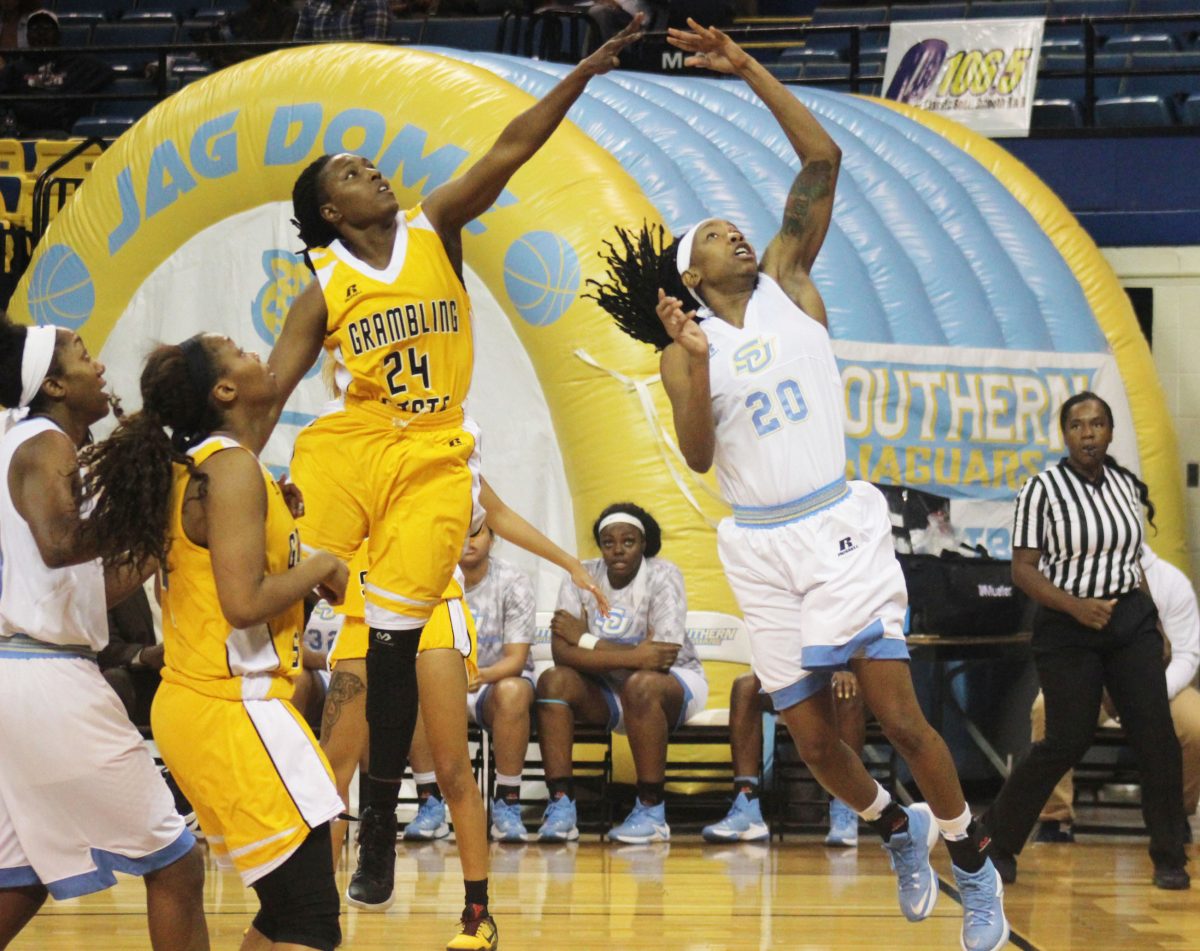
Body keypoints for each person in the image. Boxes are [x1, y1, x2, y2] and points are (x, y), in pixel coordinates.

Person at [586, 20, 1009, 951]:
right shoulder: (679, 350)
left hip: (839, 525)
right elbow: (698, 457)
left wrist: (746, 68)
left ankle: (974, 865)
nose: (738, 233)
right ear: (690, 273)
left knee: (898, 713)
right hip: (759, 539)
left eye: (739, 226)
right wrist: (694, 362)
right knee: (818, 744)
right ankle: (896, 829)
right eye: (716, 235)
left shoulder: (788, 278)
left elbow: (823, 155)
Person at [268, 20, 643, 947]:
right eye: (351, 173)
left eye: (371, 163)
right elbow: (269, 390)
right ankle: (336, 869)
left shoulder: (435, 225)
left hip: (434, 463)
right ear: (328, 212)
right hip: (369, 461)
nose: (374, 173)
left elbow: (511, 146)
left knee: (448, 746)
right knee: (341, 735)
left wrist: (583, 75)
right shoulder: (322, 289)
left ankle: (471, 901)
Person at [78, 333, 351, 950]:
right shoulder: (227, 468)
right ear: (224, 390)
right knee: (309, 915)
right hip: (231, 707)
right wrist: (321, 565)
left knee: (285, 912)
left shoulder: (213, 466)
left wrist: (284, 533)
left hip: (214, 705)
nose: (258, 353)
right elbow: (244, 602)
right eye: (239, 352)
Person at [0, 321, 207, 950]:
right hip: (47, 681)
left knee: (24, 876)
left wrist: (166, 534)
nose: (99, 365)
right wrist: (147, 509)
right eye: (84, 356)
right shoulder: (43, 443)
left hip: (28, 671)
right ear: (55, 383)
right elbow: (62, 545)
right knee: (175, 860)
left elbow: (88, 588)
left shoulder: (38, 444)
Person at [979, 392, 1190, 890]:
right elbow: (1023, 571)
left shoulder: (1123, 486)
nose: (1088, 433)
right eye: (1077, 425)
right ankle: (998, 840)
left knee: (1157, 737)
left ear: (1111, 432)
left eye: (1097, 424)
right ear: (1065, 434)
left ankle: (1168, 855)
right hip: (1067, 624)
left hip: (1128, 620)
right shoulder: (1042, 490)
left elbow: (1132, 560)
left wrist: (1154, 622)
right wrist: (1076, 607)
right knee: (1065, 739)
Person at [536, 502, 709, 844]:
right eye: (608, 542)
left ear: (643, 544)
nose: (617, 550)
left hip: (672, 683)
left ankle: (651, 809)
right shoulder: (581, 576)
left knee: (641, 684)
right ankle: (561, 806)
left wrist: (585, 640)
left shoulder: (663, 574)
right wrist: (635, 654)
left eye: (628, 541)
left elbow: (660, 658)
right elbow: (561, 653)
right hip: (607, 689)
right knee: (552, 681)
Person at [1032, 543, 1200, 844]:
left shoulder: (1171, 582)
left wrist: (1145, 693)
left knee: (1196, 724)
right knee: (1045, 708)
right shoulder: (1077, 578)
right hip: (1094, 683)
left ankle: (1175, 814)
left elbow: (1186, 655)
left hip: (1162, 684)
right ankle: (1054, 817)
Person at [404, 522, 539, 844]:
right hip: (442, 681)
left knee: (513, 691)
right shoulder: (428, 577)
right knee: (411, 689)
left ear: (494, 538)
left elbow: (516, 660)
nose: (467, 541)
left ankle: (507, 805)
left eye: (476, 532)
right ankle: (430, 804)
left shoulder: (514, 581)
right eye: (459, 532)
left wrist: (476, 676)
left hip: (492, 680)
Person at [701, 670, 865, 847]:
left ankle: (846, 806)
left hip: (852, 671)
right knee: (745, 686)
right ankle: (746, 807)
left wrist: (838, 667)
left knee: (846, 686)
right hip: (799, 673)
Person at [0, 10, 113, 137]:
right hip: (23, 131)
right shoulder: (16, 68)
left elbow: (107, 72)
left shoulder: (76, 62)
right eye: (35, 28)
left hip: (59, 131)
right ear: (27, 36)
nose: (40, 33)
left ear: (58, 35)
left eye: (46, 28)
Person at [293, 0, 389, 41]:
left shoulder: (374, 3)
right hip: (317, 70)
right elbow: (297, 46)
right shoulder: (313, 3)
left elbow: (372, 50)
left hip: (356, 71)